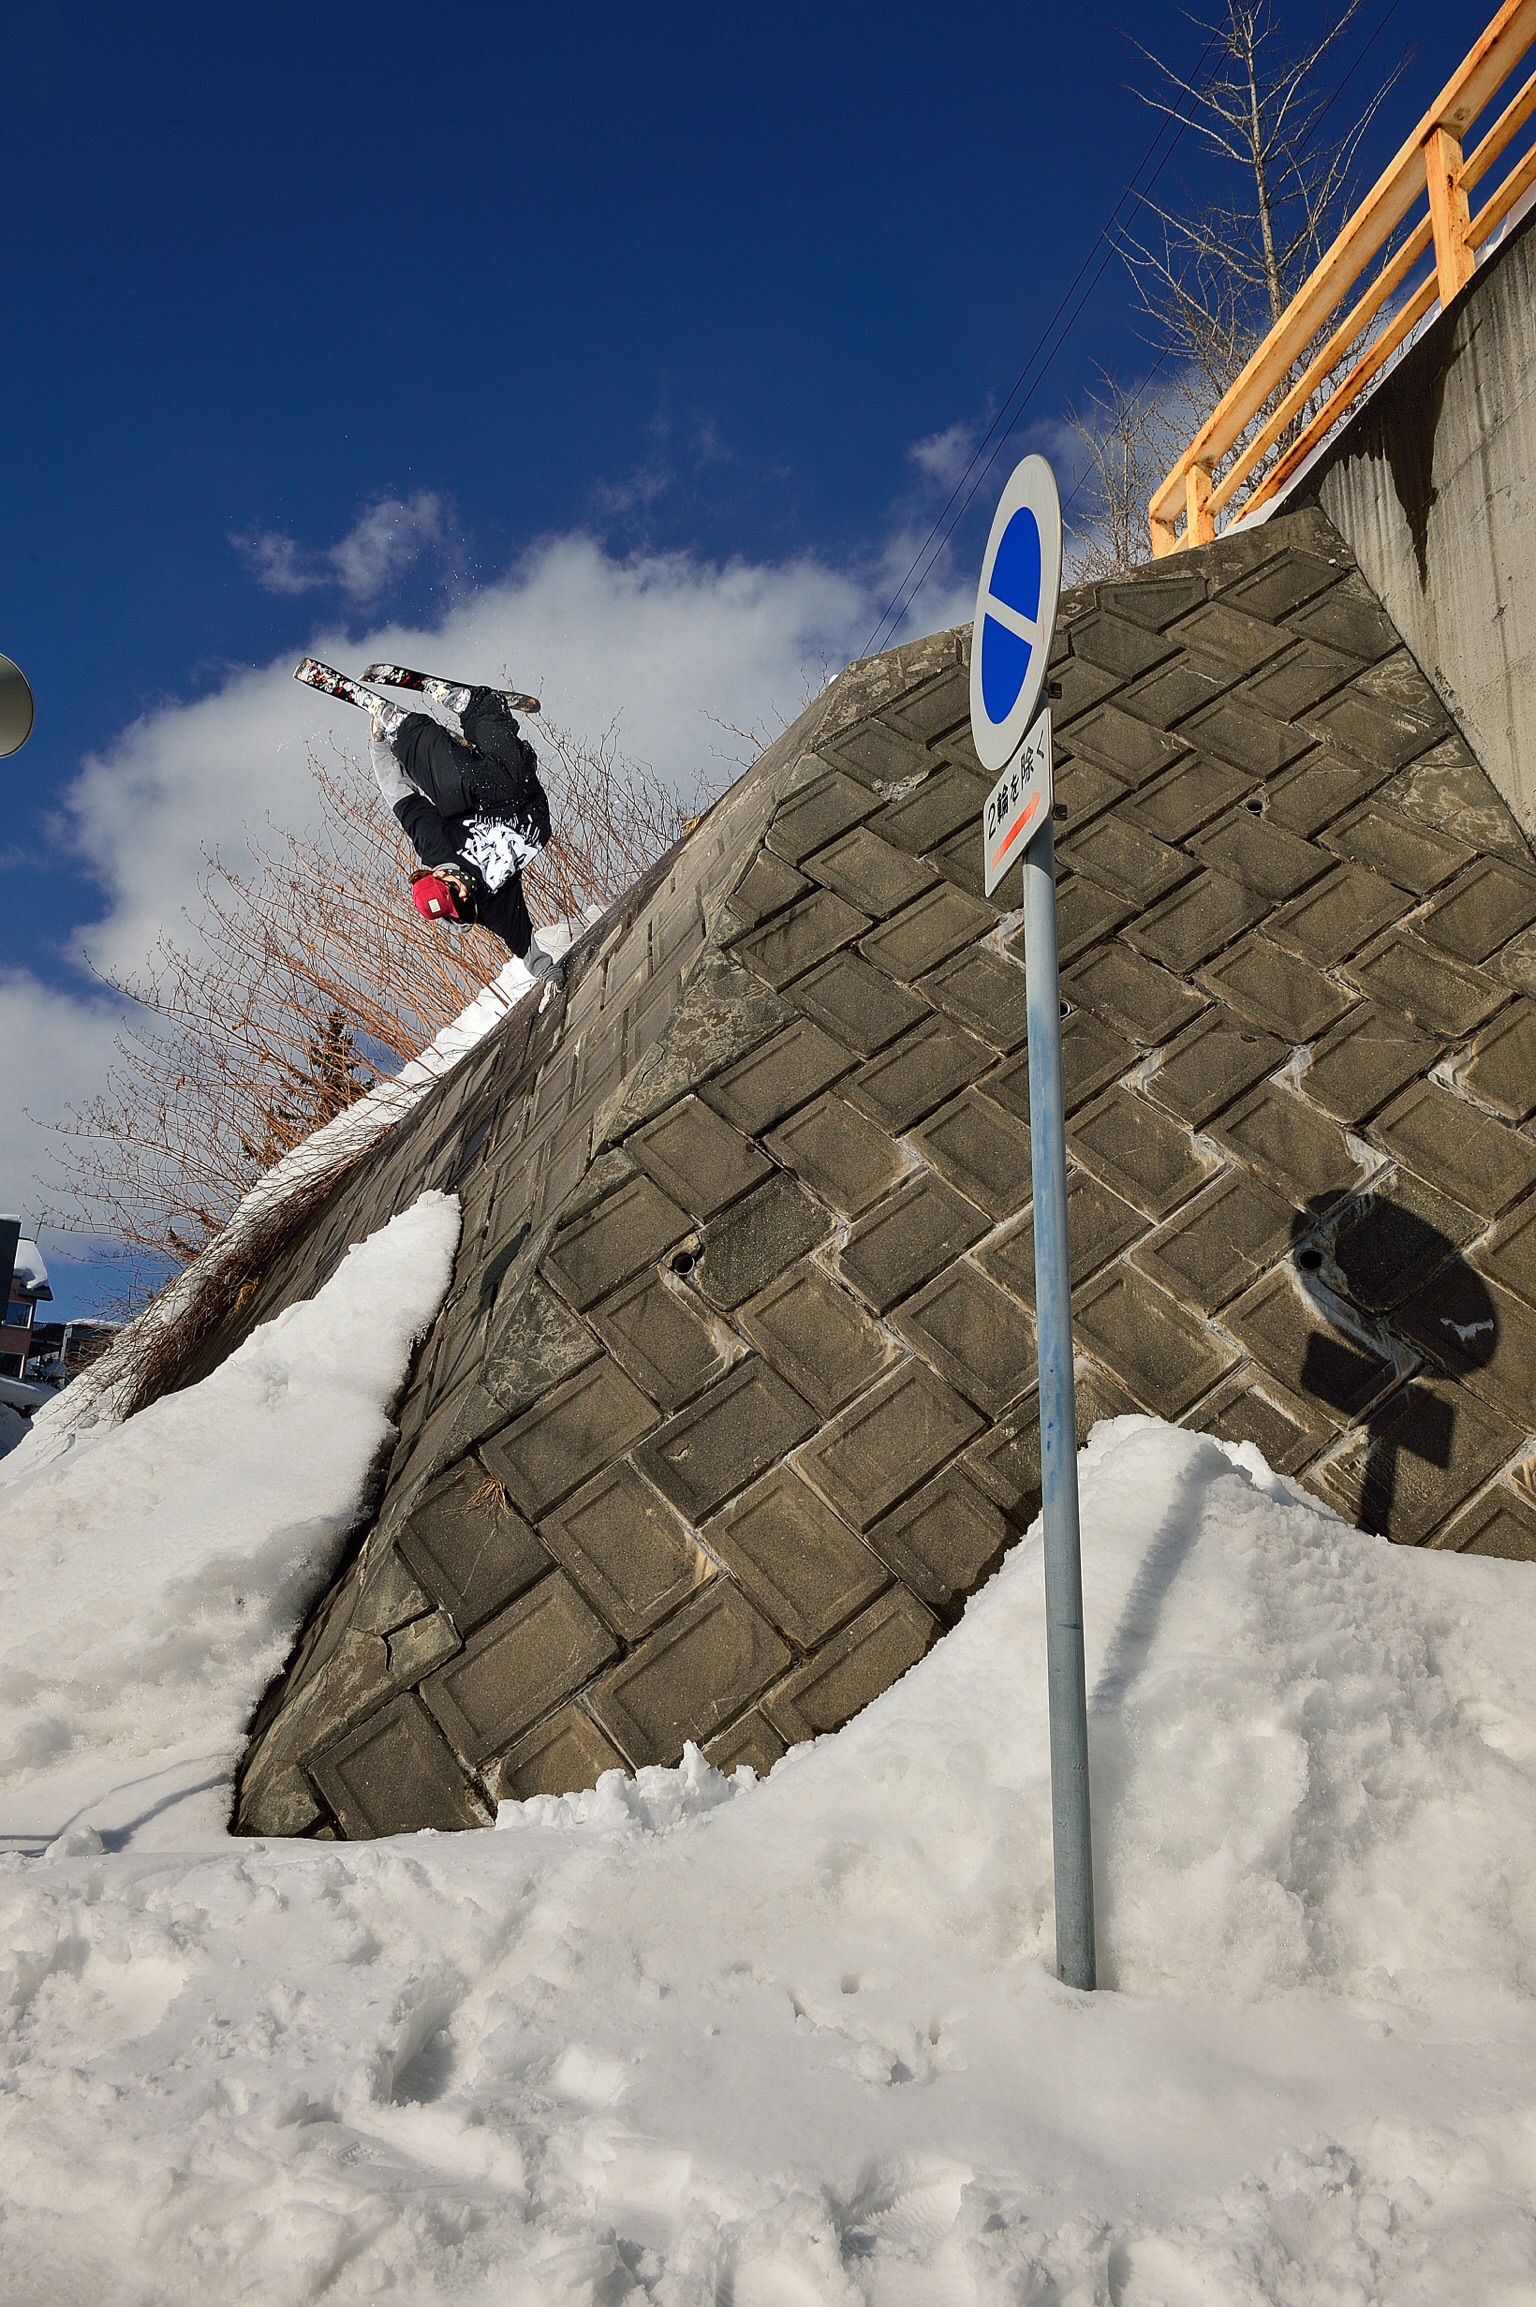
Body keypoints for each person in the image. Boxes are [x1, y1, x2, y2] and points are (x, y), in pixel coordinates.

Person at [367, 686, 565, 983]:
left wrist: (381, 747)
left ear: (436, 876)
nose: (460, 886)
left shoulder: (436, 847)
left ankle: (405, 731)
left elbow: (402, 799)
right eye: (458, 895)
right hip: (529, 817)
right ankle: (484, 709)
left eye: (450, 884)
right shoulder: (490, 906)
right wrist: (549, 975)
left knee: (453, 784)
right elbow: (526, 949)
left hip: (482, 795)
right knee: (499, 780)